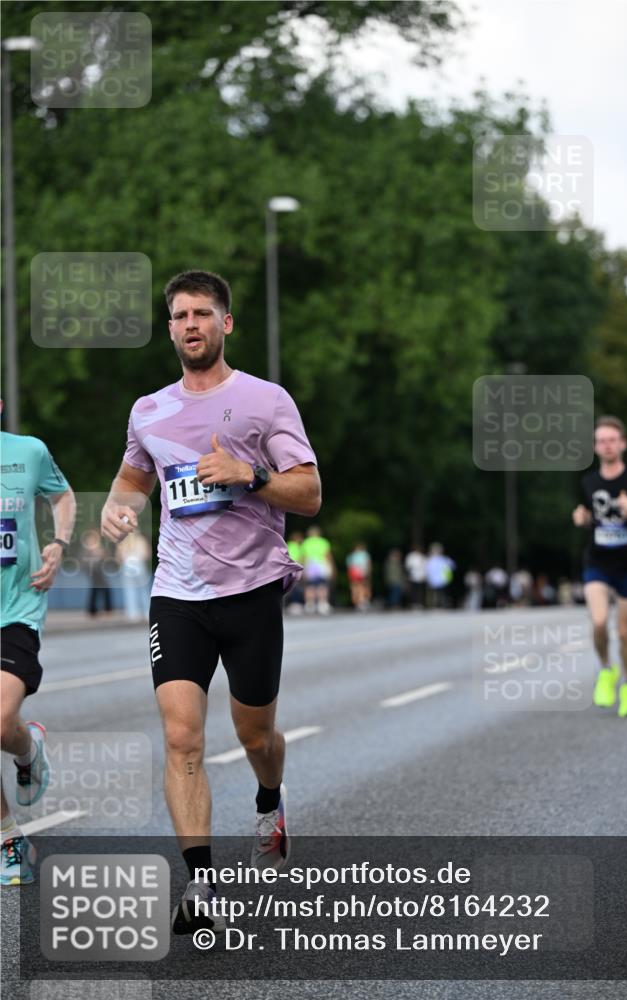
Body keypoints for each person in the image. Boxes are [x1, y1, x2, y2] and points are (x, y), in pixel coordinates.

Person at [100, 270, 320, 934]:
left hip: (250, 591)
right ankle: (202, 885)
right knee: (180, 737)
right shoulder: (148, 410)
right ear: (169, 329)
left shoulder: (265, 401)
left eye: (201, 313)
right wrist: (118, 509)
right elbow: (134, 476)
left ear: (226, 323)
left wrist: (249, 474)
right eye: (179, 315)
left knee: (255, 735)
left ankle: (269, 798)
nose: (190, 324)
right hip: (177, 594)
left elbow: (308, 493)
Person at [1, 412, 76, 885]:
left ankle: (28, 752)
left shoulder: (28, 451)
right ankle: (9, 840)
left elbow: (63, 495)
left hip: (18, 606)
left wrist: (59, 543)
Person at [572, 415, 627, 717]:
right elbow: (583, 514)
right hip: (597, 562)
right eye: (601, 441)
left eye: (612, 440)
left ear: (623, 444)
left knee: (623, 632)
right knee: (598, 622)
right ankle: (606, 669)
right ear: (595, 447)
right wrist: (581, 519)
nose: (607, 445)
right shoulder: (588, 482)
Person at [116, 530, 152, 621]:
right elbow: (147, 555)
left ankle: (132, 613)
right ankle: (147, 612)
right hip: (139, 564)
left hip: (127, 565)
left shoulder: (123, 541)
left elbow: (119, 556)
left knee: (129, 590)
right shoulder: (141, 540)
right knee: (144, 590)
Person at [301, 525, 334, 615]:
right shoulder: (323, 541)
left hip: (310, 564)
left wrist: (302, 568)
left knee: (309, 586)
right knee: (322, 585)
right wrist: (331, 567)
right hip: (321, 564)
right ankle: (322, 604)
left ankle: (310, 604)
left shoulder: (306, 542)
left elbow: (303, 557)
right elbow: (328, 556)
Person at [81, 528, 112, 616]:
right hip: (93, 571)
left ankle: (104, 609)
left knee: (101, 588)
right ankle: (94, 610)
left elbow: (105, 558)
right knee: (97, 588)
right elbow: (84, 561)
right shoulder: (87, 550)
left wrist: (101, 554)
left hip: (99, 571)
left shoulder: (99, 548)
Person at [425, 543, 455, 609]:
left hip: (442, 580)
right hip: (433, 580)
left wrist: (447, 576)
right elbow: (427, 570)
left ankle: (442, 604)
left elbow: (452, 566)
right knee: (434, 593)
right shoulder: (430, 559)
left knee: (443, 593)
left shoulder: (444, 559)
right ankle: (434, 605)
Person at [346, 542, 372, 611]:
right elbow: (368, 564)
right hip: (361, 573)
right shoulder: (364, 554)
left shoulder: (351, 556)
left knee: (355, 588)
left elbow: (349, 567)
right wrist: (368, 573)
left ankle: (357, 602)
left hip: (354, 574)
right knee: (362, 587)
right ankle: (362, 601)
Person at [285, 531, 305, 614]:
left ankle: (293, 603)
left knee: (294, 587)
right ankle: (294, 603)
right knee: (295, 586)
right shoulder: (295, 546)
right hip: (294, 569)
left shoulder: (288, 545)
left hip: (290, 569)